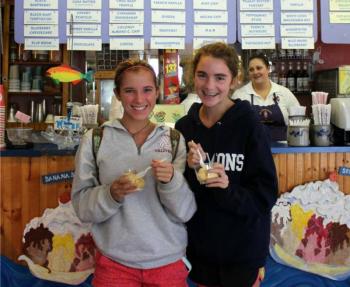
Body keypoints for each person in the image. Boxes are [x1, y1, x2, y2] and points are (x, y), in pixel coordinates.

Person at [72, 58, 197, 287]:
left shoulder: (173, 139)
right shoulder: (95, 139)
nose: (139, 100)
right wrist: (112, 194)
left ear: (157, 92)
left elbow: (185, 211)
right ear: (118, 94)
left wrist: (170, 182)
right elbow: (82, 207)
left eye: (147, 90)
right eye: (130, 91)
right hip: (114, 265)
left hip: (168, 264)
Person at [175, 42, 278, 287]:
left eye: (220, 77)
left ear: (233, 81)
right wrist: (189, 171)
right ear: (192, 77)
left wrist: (226, 187)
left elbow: (265, 197)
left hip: (242, 255)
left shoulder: (250, 126)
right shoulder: (184, 128)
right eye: (202, 75)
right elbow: (179, 197)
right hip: (199, 254)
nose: (209, 86)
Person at [232, 53, 300, 141]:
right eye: (251, 69)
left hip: (283, 150)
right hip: (251, 150)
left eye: (259, 68)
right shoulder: (240, 95)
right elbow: (233, 125)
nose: (255, 72)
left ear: (268, 69)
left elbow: (298, 120)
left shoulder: (284, 93)